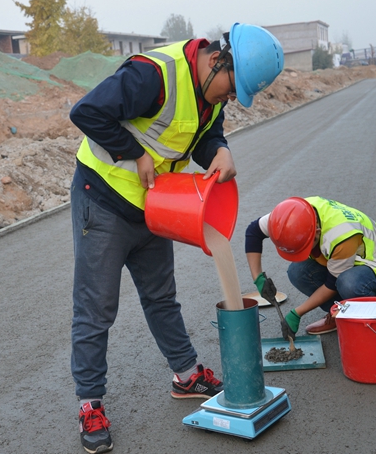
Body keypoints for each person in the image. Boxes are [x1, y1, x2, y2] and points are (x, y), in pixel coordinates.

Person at [69, 23, 283, 454]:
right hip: (104, 199)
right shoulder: (155, 75)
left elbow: (204, 136)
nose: (227, 98)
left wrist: (220, 150)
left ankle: (186, 375)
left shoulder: (210, 93)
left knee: (161, 296)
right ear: (219, 60)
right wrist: (134, 152)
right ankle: (90, 403)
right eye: (229, 88)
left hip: (156, 206)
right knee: (97, 308)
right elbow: (86, 112)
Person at [246, 197, 376, 339]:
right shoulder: (290, 216)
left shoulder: (341, 234)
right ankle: (338, 313)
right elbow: (253, 231)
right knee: (297, 271)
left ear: (316, 232)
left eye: (305, 248)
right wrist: (258, 278)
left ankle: (371, 321)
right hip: (347, 262)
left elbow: (332, 283)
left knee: (348, 283)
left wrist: (297, 313)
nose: (304, 253)